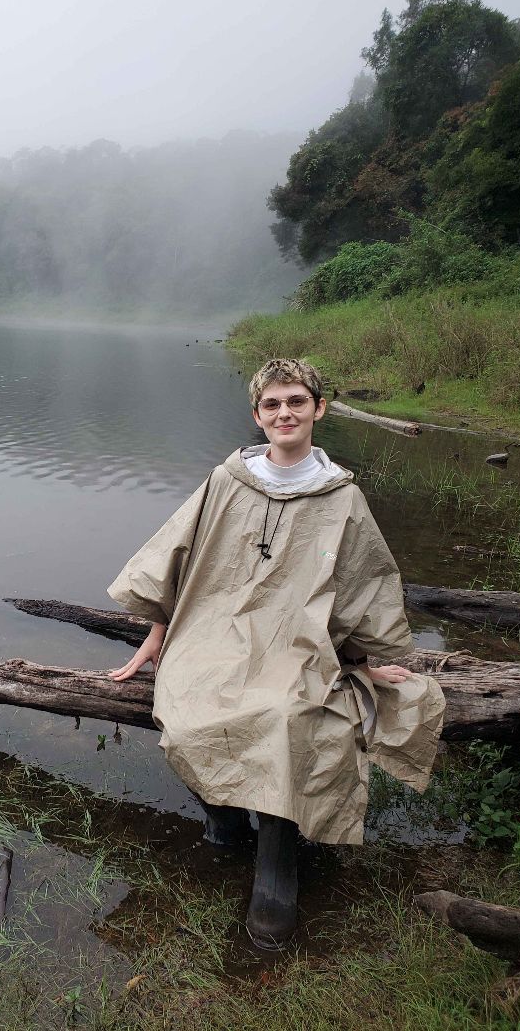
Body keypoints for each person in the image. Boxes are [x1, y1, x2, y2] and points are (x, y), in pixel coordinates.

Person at [107, 358, 445, 950]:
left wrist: (367, 658)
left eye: (295, 401)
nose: (284, 413)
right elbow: (176, 557)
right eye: (272, 404)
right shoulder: (227, 480)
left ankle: (277, 865)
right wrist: (156, 636)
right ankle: (226, 817)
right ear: (257, 415)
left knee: (290, 719)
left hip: (298, 643)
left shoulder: (343, 497)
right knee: (186, 709)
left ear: (318, 408)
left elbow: (365, 580)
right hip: (213, 632)